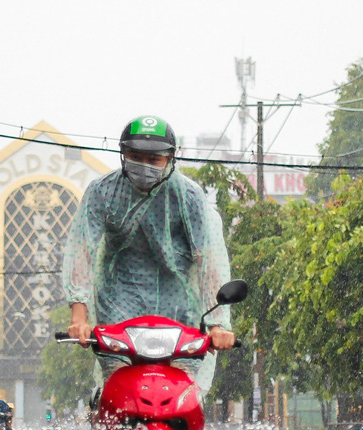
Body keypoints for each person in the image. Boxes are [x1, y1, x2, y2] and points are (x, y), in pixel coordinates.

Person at [63, 115, 235, 393]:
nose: (144, 166)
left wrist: (217, 325)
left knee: (183, 389)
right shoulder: (102, 192)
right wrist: (78, 318)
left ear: (170, 159)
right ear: (123, 155)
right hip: (119, 300)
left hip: (181, 306)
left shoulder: (189, 197)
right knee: (118, 381)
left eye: (154, 160)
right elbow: (82, 249)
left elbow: (209, 260)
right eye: (136, 156)